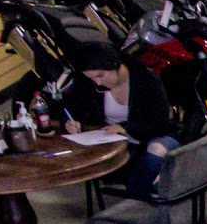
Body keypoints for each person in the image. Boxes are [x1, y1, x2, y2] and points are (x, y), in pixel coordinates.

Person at [59, 41, 176, 198]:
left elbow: (159, 123)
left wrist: (126, 127)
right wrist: (69, 122)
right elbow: (68, 107)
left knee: (156, 150)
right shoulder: (90, 84)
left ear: (115, 65)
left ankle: (136, 195)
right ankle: (145, 191)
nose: (98, 82)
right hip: (113, 143)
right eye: (92, 78)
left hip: (149, 137)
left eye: (100, 75)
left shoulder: (146, 80)